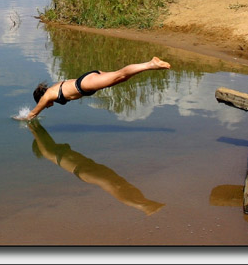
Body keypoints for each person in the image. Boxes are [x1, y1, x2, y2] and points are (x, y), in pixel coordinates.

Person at [27, 120, 164, 215]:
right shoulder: (47, 152)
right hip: (82, 171)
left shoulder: (52, 148)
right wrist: (30, 120)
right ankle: (142, 206)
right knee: (114, 186)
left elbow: (41, 132)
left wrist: (35, 114)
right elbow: (36, 131)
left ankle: (144, 202)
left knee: (120, 182)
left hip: (88, 166)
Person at [22, 56, 171, 120]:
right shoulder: (53, 89)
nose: (47, 106)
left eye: (43, 104)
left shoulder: (47, 96)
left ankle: (150, 64)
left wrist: (19, 118)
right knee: (122, 78)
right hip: (87, 81)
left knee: (120, 74)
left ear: (40, 98)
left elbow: (32, 114)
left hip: (84, 84)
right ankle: (150, 66)